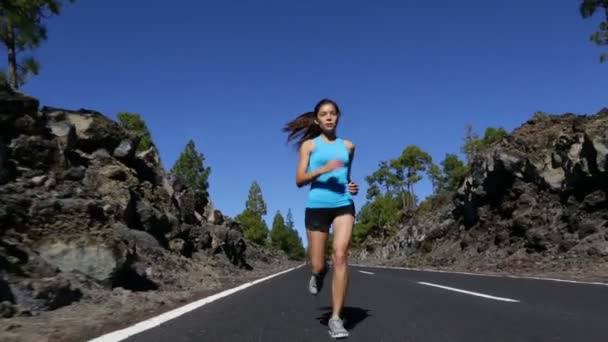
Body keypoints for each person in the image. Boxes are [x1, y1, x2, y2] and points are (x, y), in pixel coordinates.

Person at [282, 98, 358, 339]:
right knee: (318, 264)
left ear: (338, 117)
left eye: (333, 113)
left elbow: (346, 176)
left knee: (341, 256)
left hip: (344, 204)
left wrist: (351, 186)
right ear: (317, 119)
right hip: (317, 206)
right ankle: (318, 273)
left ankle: (336, 318)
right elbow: (299, 180)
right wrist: (322, 170)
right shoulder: (309, 146)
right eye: (324, 114)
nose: (329, 117)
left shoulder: (348, 146)